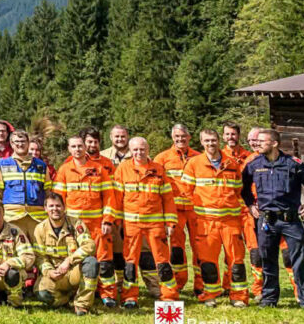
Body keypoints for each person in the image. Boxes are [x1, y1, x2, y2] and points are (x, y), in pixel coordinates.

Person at [242, 128, 304, 313]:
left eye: (262, 141)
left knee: (299, 261)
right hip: (266, 221)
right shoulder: (254, 165)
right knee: (267, 261)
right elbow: (244, 188)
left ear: (274, 143)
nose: (257, 143)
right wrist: (250, 204)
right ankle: (269, 298)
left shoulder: (293, 164)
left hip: (291, 221)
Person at [181, 129, 249, 307]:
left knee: (236, 261)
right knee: (208, 261)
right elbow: (186, 192)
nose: (210, 144)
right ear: (201, 143)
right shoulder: (194, 164)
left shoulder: (231, 163)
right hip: (206, 222)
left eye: (213, 140)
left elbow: (238, 191)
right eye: (206, 141)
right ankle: (209, 295)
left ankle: (239, 296)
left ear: (219, 141)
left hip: (230, 222)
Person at [111, 137, 179, 306]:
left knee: (162, 261)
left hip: (155, 225)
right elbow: (117, 199)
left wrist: (170, 223)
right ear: (130, 151)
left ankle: (169, 295)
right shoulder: (123, 169)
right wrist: (115, 220)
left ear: (148, 150)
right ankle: (129, 297)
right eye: (135, 150)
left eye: (142, 149)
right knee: (130, 262)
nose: (139, 153)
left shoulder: (158, 169)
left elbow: (168, 199)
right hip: (131, 225)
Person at [52, 132, 117, 307]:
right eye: (73, 146)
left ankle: (107, 294)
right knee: (75, 258)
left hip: (97, 224)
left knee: (104, 260)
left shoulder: (99, 169)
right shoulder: (64, 170)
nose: (77, 149)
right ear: (69, 149)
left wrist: (107, 220)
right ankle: (79, 292)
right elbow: (58, 199)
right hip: (73, 226)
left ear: (85, 147)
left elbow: (109, 197)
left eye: (80, 146)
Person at [154, 123, 202, 295]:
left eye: (183, 136)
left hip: (195, 208)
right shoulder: (162, 158)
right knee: (176, 249)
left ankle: (201, 285)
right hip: (174, 210)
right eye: (177, 137)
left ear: (189, 137)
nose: (180, 139)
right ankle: (179, 282)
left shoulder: (199, 157)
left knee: (200, 247)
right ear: (172, 138)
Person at [32, 194, 98, 315]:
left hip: (74, 271)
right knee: (42, 293)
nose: (55, 209)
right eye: (51, 206)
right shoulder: (40, 229)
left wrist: (69, 261)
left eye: (58, 206)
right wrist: (49, 271)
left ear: (64, 207)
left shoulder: (75, 224)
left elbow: (90, 245)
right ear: (45, 208)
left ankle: (82, 305)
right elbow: (40, 257)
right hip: (55, 274)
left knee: (91, 263)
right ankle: (65, 300)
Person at [0, 129, 50, 247]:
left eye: (23, 141)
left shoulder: (41, 166)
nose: (20, 144)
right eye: (16, 142)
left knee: (39, 250)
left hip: (37, 218)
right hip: (13, 217)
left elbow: (47, 191)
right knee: (14, 250)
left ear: (28, 143)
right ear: (12, 144)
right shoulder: (3, 165)